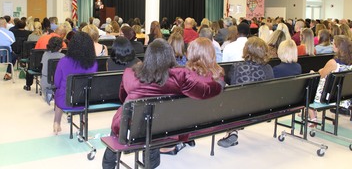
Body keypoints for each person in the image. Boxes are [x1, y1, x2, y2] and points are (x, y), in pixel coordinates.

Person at [102, 39, 223, 169]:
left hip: (129, 126)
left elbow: (122, 98)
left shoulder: (129, 73)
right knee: (153, 125)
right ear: (170, 56)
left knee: (124, 119)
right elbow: (204, 92)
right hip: (162, 127)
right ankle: (151, 164)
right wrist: (220, 84)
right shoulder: (179, 76)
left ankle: (108, 163)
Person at [218, 36, 273, 148]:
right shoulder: (268, 68)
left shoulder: (236, 67)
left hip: (239, 110)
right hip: (261, 108)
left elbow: (231, 84)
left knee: (231, 97)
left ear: (246, 50)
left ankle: (232, 132)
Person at [53, 32, 98, 135]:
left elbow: (57, 82)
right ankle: (83, 125)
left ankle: (56, 123)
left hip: (66, 100)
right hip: (85, 100)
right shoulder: (93, 63)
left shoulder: (63, 61)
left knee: (60, 92)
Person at [310, 35, 352, 123]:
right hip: (343, 97)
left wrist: (315, 72)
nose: (332, 45)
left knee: (309, 86)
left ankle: (313, 117)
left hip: (328, 97)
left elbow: (321, 75)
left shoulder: (333, 63)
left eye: (334, 44)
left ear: (338, 47)